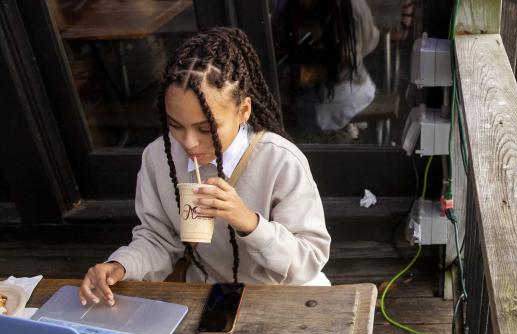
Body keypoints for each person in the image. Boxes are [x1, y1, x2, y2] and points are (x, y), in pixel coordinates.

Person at [79, 28, 331, 306]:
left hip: (283, 295)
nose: (189, 142)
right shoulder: (158, 157)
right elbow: (159, 239)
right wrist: (122, 265)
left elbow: (309, 258)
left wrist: (249, 222)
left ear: (243, 111)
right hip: (209, 294)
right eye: (175, 125)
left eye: (205, 128)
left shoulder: (280, 160)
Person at [276, 0, 380, 135]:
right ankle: (346, 128)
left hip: (305, 105)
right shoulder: (353, 4)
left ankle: (342, 129)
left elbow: (278, 42)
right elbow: (369, 44)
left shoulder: (284, 4)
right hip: (349, 97)